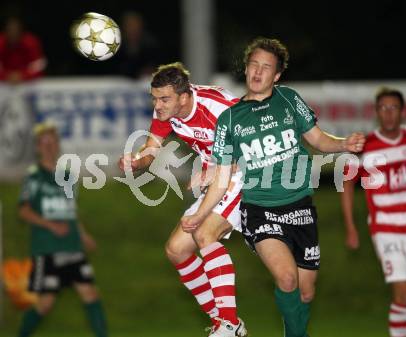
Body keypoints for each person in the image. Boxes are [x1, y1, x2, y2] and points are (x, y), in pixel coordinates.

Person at [181, 37, 365, 337]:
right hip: (260, 210)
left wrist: (343, 143)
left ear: (277, 75)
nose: (257, 72)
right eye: (253, 65)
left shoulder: (289, 99)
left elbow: (317, 139)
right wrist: (201, 214)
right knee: (287, 278)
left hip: (301, 207)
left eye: (266, 67)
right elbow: (222, 177)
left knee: (305, 292)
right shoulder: (229, 119)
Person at [118, 62, 247, 337]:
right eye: (154, 99)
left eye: (164, 99)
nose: (158, 105)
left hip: (248, 176)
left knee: (204, 233)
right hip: (218, 179)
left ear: (185, 97)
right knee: (176, 249)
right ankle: (223, 323)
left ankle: (229, 322)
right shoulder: (165, 111)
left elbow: (255, 148)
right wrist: (138, 161)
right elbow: (152, 146)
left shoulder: (219, 108)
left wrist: (214, 169)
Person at [341, 87, 406, 337]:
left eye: (393, 107)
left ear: (403, 112)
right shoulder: (367, 147)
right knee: (402, 295)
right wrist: (351, 226)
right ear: (376, 112)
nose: (388, 113)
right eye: (383, 108)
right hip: (386, 227)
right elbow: (347, 184)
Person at [17, 123, 108, 337]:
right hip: (47, 246)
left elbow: (71, 209)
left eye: (52, 142)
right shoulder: (34, 176)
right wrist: (50, 225)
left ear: (58, 145)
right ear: (38, 147)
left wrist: (83, 234)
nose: (49, 147)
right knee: (45, 303)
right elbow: (24, 210)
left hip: (72, 245)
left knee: (90, 294)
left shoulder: (68, 176)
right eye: (44, 143)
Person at [0, 16, 46, 83]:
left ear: (21, 31)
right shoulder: (1, 43)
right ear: (5, 31)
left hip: (27, 83)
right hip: (4, 83)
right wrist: (6, 76)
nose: (13, 33)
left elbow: (39, 67)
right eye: (10, 30)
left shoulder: (31, 43)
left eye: (16, 30)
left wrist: (23, 75)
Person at [117, 11, 159, 78]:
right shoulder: (116, 47)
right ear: (124, 27)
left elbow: (158, 67)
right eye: (130, 25)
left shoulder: (150, 45)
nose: (133, 29)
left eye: (136, 25)